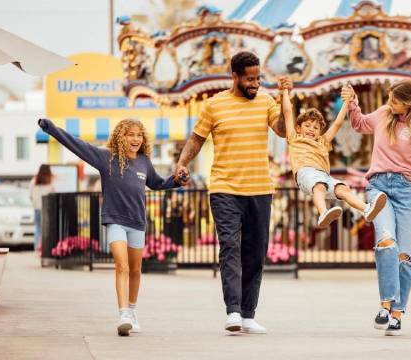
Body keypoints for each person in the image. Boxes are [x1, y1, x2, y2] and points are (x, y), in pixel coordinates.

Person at [175, 51, 289, 334]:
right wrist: (181, 163)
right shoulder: (214, 105)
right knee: (230, 247)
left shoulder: (266, 101)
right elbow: (196, 139)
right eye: (249, 79)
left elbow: (284, 131)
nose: (255, 83)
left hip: (260, 188)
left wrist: (287, 97)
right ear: (235, 77)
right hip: (225, 188)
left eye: (258, 78)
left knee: (255, 252)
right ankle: (233, 311)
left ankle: (249, 314)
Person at [38, 118, 181, 336]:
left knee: (135, 270)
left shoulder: (144, 161)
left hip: (137, 222)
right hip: (115, 220)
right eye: (130, 134)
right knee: (121, 265)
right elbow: (76, 145)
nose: (135, 139)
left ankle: (132, 311)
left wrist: (177, 181)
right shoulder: (106, 158)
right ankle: (123, 314)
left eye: (139, 135)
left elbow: (157, 183)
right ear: (120, 137)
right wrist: (51, 128)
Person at [341, 79, 411, 335]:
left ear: (409, 103)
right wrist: (353, 102)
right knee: (387, 242)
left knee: (406, 257)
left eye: (395, 101)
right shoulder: (382, 115)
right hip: (379, 187)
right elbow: (359, 124)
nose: (390, 104)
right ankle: (385, 305)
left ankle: (398, 313)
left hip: (409, 191)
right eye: (389, 98)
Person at [280, 88, 387, 228]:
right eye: (307, 126)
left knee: (343, 189)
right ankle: (323, 212)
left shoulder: (323, 142)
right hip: (305, 173)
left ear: (319, 132)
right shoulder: (294, 138)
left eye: (316, 127)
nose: (311, 129)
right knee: (319, 186)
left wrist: (346, 103)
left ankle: (366, 209)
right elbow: (288, 113)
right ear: (298, 128)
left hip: (324, 176)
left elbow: (337, 123)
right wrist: (285, 91)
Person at [29, 165, 55, 252]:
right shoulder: (50, 183)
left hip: (37, 209)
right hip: (47, 209)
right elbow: (53, 196)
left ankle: (37, 248)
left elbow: (30, 195)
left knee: (38, 229)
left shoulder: (33, 181)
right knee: (46, 230)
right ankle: (45, 248)